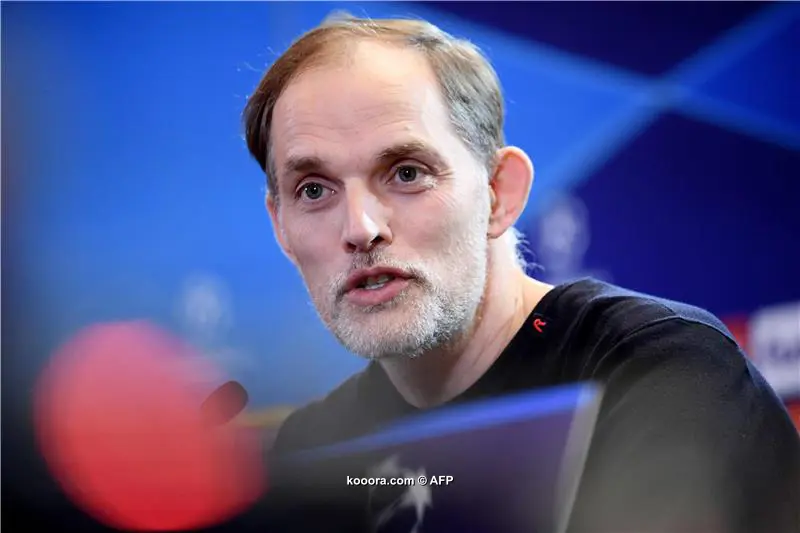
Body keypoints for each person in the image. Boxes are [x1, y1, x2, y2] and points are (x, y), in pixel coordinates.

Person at [239, 13, 800, 533]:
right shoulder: (312, 448)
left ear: (498, 194)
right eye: (313, 190)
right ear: (281, 227)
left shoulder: (659, 371)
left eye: (406, 173)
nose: (360, 228)